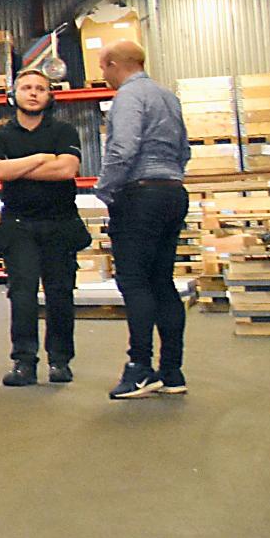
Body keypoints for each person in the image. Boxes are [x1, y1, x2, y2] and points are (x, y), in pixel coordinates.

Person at [94, 40, 189, 399]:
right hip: (172, 192)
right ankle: (172, 371)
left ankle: (139, 369)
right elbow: (184, 150)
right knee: (162, 281)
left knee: (134, 282)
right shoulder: (168, 97)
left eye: (103, 69)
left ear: (114, 64)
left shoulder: (128, 97)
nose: (103, 76)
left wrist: (106, 190)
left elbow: (123, 149)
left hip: (140, 195)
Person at [0, 69, 89, 386]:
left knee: (60, 294)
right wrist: (41, 158)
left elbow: (66, 170)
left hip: (60, 224)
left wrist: (16, 167)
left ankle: (60, 361)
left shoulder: (64, 132)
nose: (32, 93)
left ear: (49, 96)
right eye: (26, 87)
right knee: (22, 295)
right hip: (18, 227)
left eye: (40, 88)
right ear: (13, 95)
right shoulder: (0, 135)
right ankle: (24, 362)